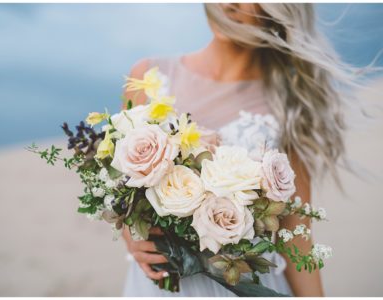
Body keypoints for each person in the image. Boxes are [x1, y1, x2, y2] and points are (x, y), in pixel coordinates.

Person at [121, 3, 355, 296]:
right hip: (160, 284)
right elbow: (124, 188)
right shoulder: (149, 77)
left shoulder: (288, 108)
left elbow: (295, 235)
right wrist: (130, 234)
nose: (229, 4)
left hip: (242, 287)